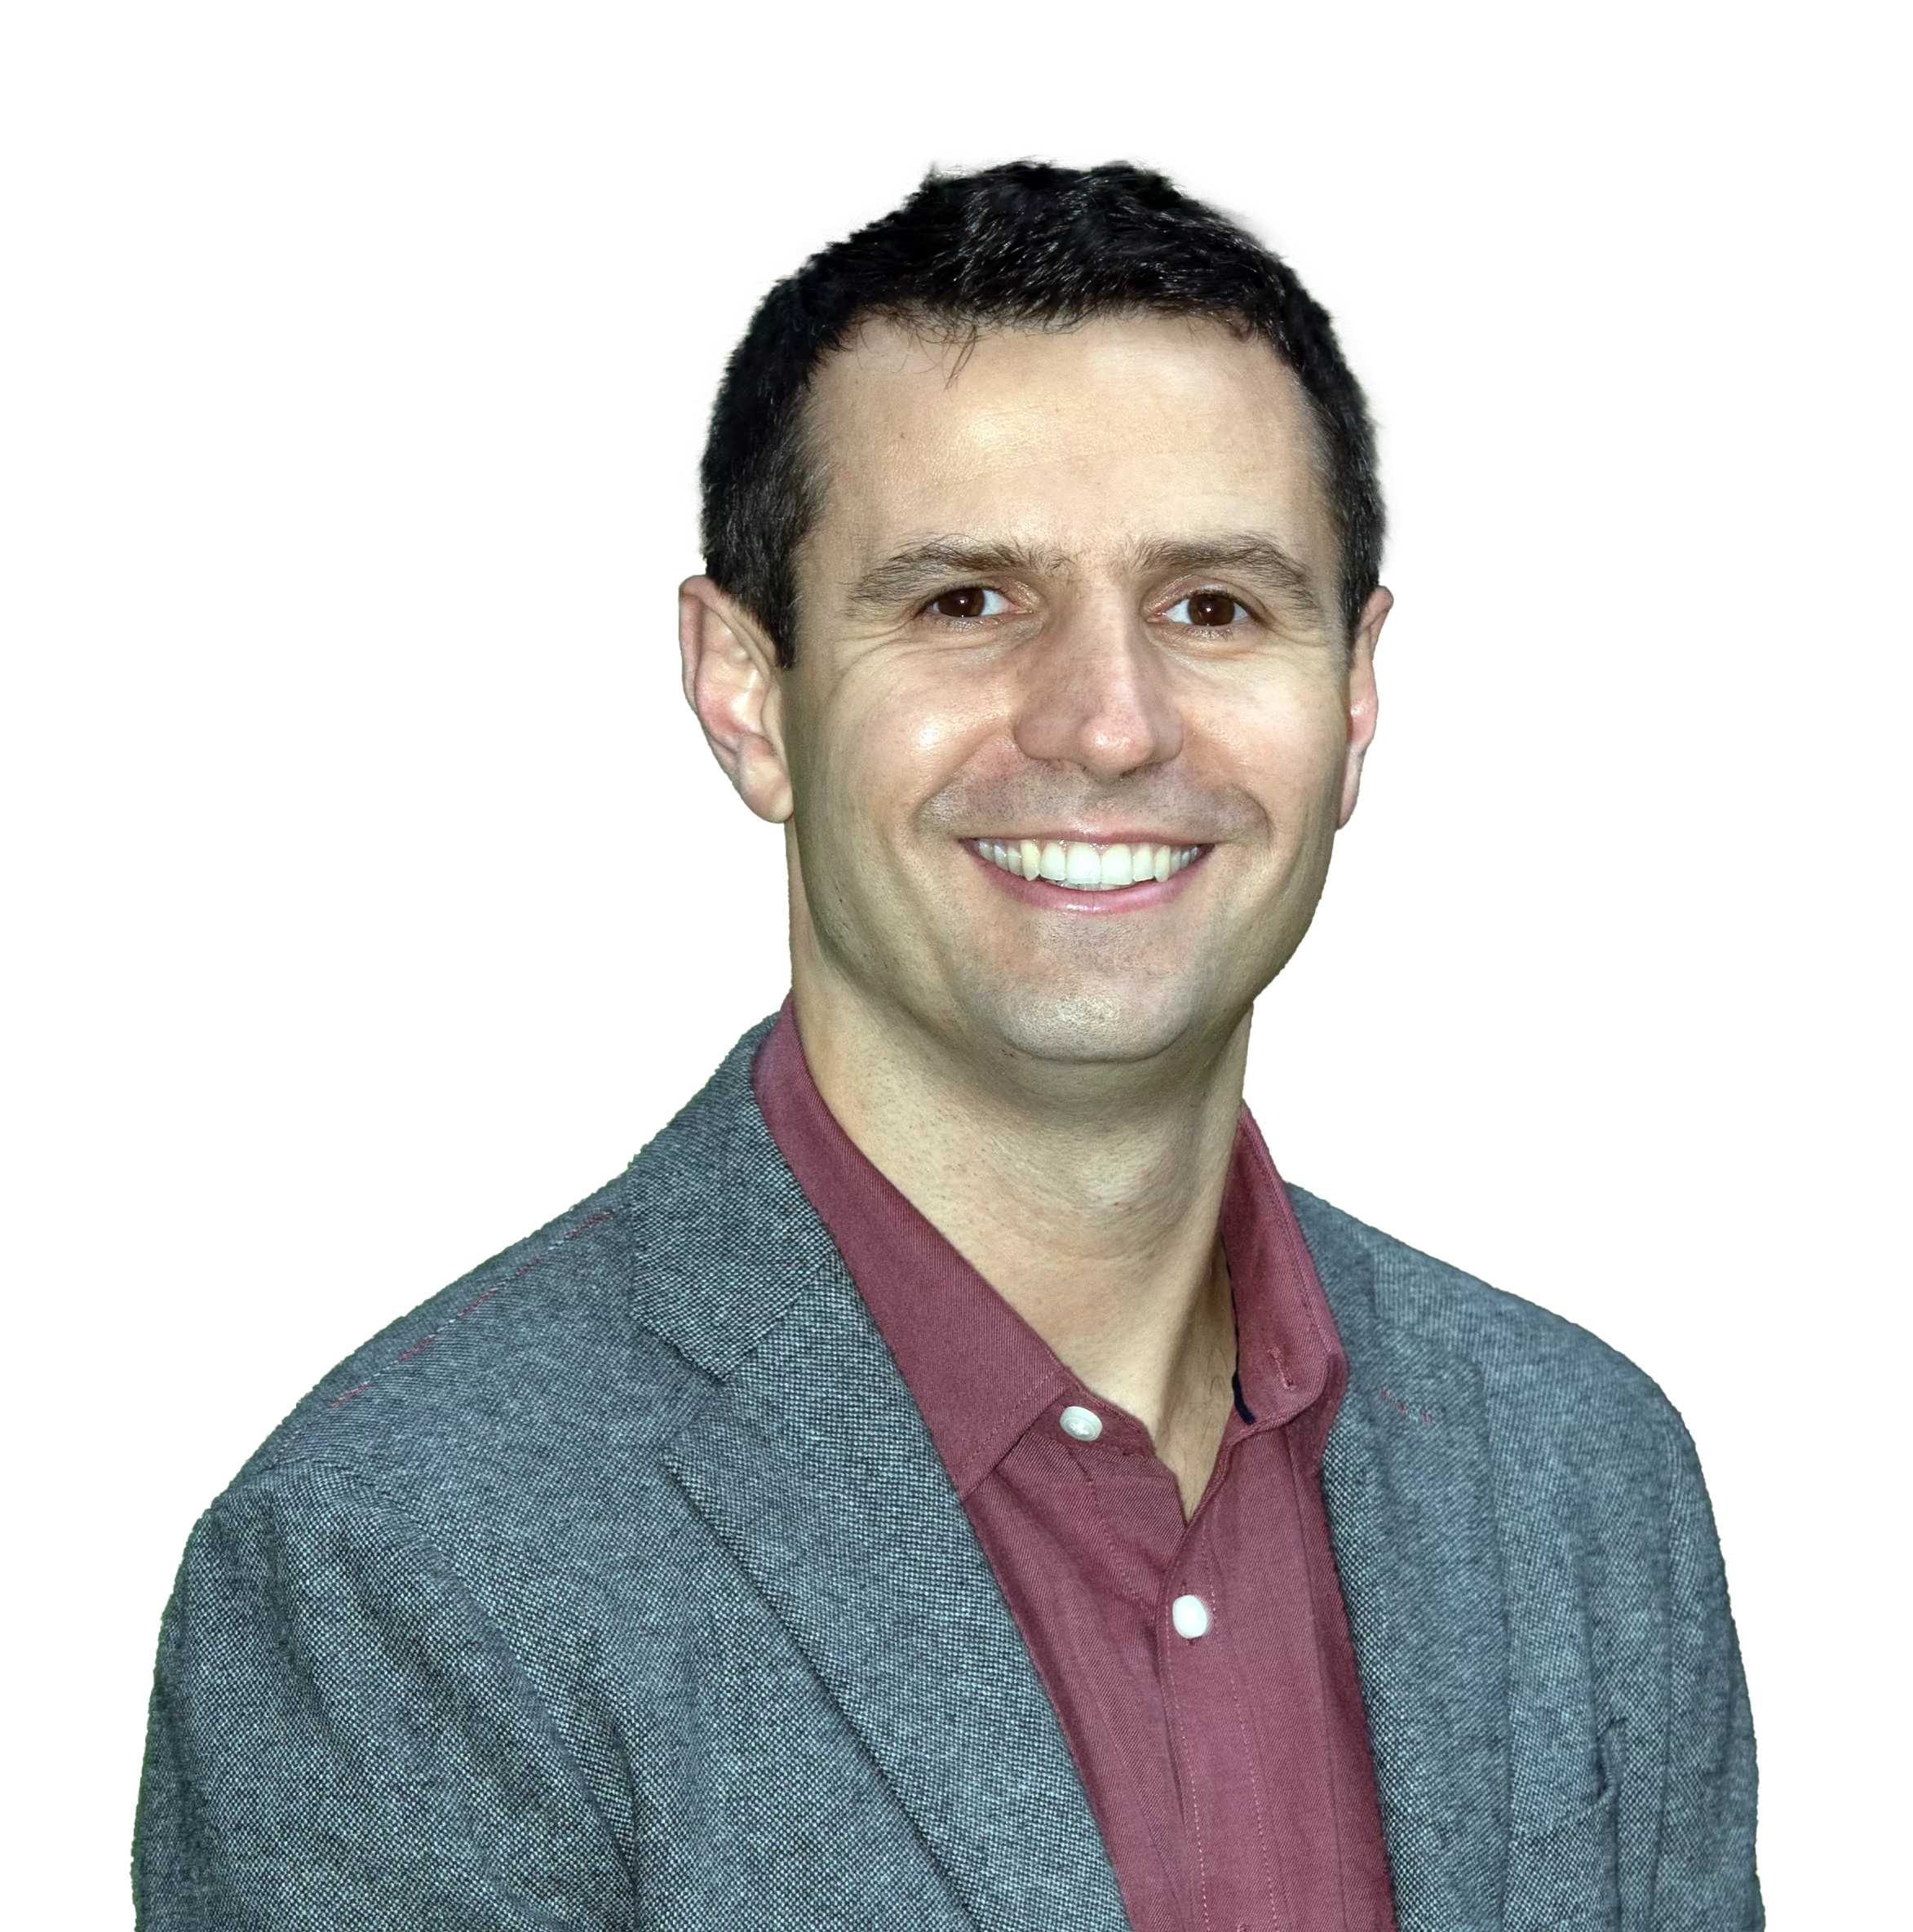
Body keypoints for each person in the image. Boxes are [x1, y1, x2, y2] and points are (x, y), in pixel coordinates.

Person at [133, 154, 1764, 1930]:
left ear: (1356, 697)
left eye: (1211, 604)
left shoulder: (1584, 1473)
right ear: (740, 691)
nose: (1109, 723)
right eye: (964, 601)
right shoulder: (399, 1564)